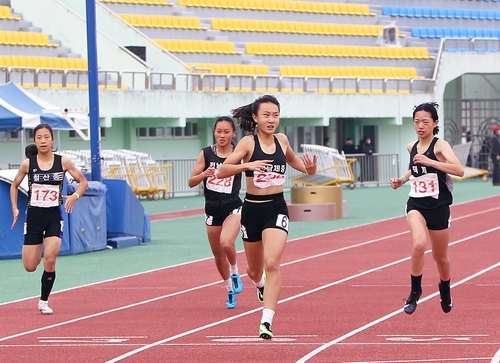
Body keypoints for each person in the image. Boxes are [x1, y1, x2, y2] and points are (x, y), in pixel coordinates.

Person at [218, 95, 318, 340]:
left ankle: (266, 320)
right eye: (266, 115)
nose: (271, 119)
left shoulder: (282, 140)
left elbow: (295, 162)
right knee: (254, 271)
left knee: (272, 263)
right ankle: (260, 285)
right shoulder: (247, 144)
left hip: (276, 208)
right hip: (252, 210)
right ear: (255, 118)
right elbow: (222, 170)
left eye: (275, 115)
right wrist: (246, 166)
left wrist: (311, 170)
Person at [390, 102, 464, 315]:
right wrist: (402, 179)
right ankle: (415, 292)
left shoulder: (441, 146)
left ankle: (445, 288)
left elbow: (459, 170)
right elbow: (416, 170)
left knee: (440, 257)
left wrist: (432, 163)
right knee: (419, 244)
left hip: (439, 206)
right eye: (416, 122)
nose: (420, 126)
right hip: (416, 204)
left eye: (425, 122)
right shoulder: (411, 146)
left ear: (435, 123)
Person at [10, 124, 88, 314]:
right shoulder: (28, 164)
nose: (43, 141)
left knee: (50, 258)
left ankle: (43, 301)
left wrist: (75, 196)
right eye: (39, 137)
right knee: (30, 266)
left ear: (52, 140)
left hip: (54, 216)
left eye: (46, 137)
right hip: (34, 217)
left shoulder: (63, 162)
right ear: (35, 141)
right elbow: (14, 186)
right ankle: (36, 258)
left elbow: (83, 181)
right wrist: (15, 209)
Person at [188, 116, 244, 309]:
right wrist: (203, 174)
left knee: (227, 242)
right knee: (218, 255)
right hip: (212, 209)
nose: (222, 135)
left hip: (233, 206)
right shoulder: (206, 154)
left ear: (233, 133)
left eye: (226, 131)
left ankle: (235, 272)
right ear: (214, 132)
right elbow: (191, 181)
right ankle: (229, 289)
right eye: (219, 131)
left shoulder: (238, 153)